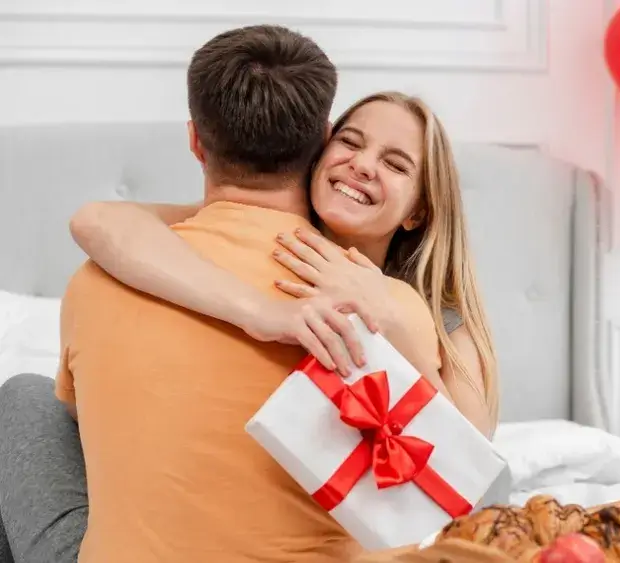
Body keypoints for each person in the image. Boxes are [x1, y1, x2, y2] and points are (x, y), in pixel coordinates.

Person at [0, 23, 499, 563]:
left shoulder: (98, 278)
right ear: (319, 144)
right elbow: (100, 221)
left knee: (25, 401)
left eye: (396, 164)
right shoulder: (391, 309)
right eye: (351, 143)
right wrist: (262, 313)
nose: (363, 165)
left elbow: (467, 481)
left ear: (196, 140)